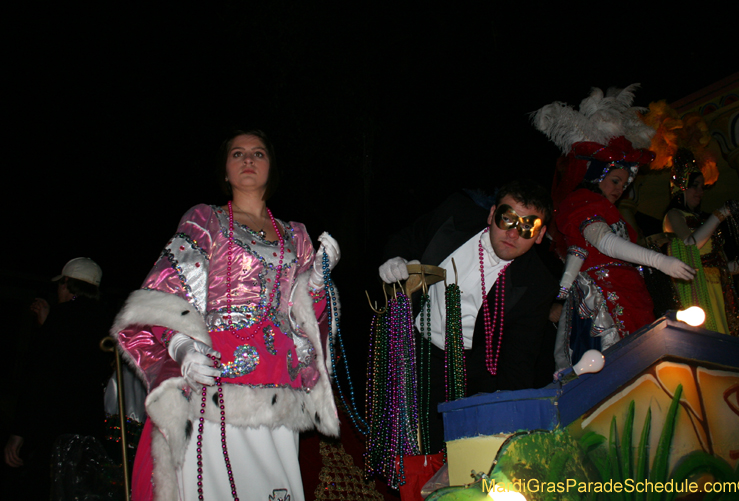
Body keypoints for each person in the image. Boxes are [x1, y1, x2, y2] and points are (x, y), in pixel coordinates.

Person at [111, 130, 340, 501]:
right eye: (238, 154)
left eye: (258, 153)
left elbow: (306, 321)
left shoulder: (296, 234)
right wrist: (182, 346)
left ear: (272, 168)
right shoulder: (206, 219)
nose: (248, 160)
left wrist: (314, 285)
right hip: (217, 378)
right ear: (226, 170)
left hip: (280, 381)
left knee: (276, 485)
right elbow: (168, 289)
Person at [378, 179, 559, 451]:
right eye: (507, 219)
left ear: (541, 233)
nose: (512, 234)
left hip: (465, 376)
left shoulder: (537, 284)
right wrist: (397, 259)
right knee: (394, 432)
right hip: (412, 346)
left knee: (441, 452)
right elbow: (406, 239)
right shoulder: (455, 214)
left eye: (527, 226)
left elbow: (518, 362)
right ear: (491, 213)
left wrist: (509, 423)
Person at [532, 85, 695, 371]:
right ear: (596, 177)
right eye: (615, 181)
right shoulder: (582, 202)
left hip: (630, 290)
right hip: (603, 296)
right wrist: (661, 261)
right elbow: (603, 244)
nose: (620, 189)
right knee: (614, 364)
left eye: (624, 184)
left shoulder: (609, 213)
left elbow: (581, 252)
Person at [4, 257, 109, 500]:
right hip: (89, 426)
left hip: (54, 428)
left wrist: (18, 433)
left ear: (65, 284)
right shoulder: (105, 320)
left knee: (47, 487)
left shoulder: (60, 318)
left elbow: (42, 376)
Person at [663, 151, 739, 335]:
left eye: (702, 187)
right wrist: (720, 214)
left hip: (719, 289)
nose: (700, 192)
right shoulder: (674, 215)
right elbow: (690, 245)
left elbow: (719, 266)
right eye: (695, 186)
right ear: (681, 187)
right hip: (698, 289)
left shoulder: (701, 222)